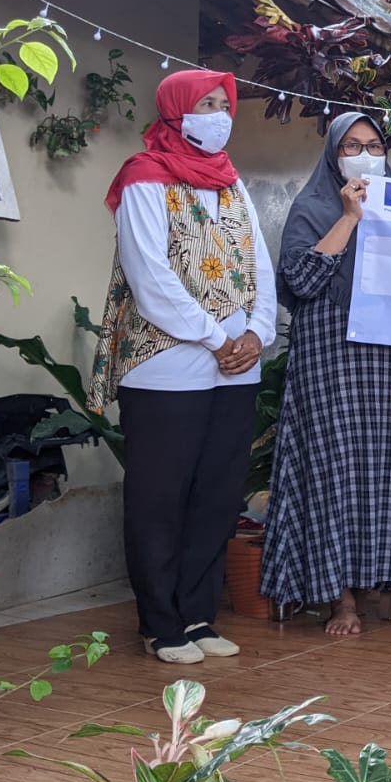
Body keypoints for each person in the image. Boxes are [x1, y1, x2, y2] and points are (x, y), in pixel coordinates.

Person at [87, 69, 277, 665]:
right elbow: (151, 278)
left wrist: (258, 332)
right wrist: (218, 336)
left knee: (217, 497)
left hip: (236, 367)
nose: (218, 113)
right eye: (205, 104)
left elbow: (260, 264)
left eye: (224, 104)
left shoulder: (231, 183)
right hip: (166, 365)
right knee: (159, 497)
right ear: (175, 110)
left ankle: (198, 616)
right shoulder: (144, 179)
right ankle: (160, 623)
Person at [260, 112, 391, 635]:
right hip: (331, 358)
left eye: (373, 145)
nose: (364, 154)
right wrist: (349, 217)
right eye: (352, 145)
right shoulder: (313, 207)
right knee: (336, 475)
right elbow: (300, 281)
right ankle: (342, 601)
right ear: (333, 152)